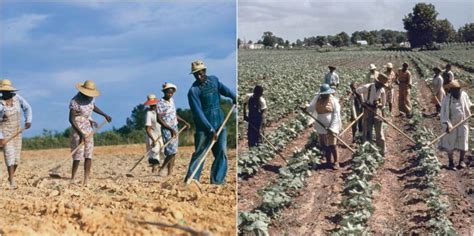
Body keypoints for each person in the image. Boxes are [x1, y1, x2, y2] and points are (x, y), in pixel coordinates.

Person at [185, 60, 236, 185]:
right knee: (200, 153)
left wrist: (234, 97)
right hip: (204, 126)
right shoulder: (193, 91)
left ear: (205, 71)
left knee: (222, 152)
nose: (198, 75)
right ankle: (192, 180)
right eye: (195, 74)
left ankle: (218, 180)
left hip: (220, 122)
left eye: (200, 72)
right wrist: (210, 129)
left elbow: (225, 90)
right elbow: (198, 113)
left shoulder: (214, 80)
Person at [69, 80, 112, 185]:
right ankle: (73, 178)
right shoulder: (75, 101)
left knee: (88, 154)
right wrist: (80, 134)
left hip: (88, 128)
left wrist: (104, 114)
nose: (89, 96)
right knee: (78, 154)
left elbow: (93, 106)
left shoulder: (91, 98)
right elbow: (71, 119)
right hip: (77, 128)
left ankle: (86, 179)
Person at [0, 79, 32, 189]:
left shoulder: (17, 98)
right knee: (9, 155)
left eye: (8, 91)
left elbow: (27, 108)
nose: (7, 93)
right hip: (5, 132)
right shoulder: (0, 104)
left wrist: (28, 120)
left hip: (18, 131)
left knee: (16, 158)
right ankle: (12, 180)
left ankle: (11, 177)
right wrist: (0, 138)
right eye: (4, 91)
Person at [304, 84, 342, 169]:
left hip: (332, 125)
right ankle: (328, 161)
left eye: (326, 93)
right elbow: (311, 107)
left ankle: (336, 162)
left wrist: (332, 128)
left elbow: (336, 115)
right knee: (325, 145)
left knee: (333, 145)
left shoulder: (334, 100)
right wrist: (305, 108)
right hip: (320, 125)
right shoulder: (317, 98)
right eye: (323, 94)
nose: (324, 95)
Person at [156, 83, 190, 177]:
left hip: (175, 127)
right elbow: (159, 119)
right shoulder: (160, 103)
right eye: (168, 92)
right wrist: (170, 129)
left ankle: (169, 172)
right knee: (170, 151)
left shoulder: (172, 101)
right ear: (164, 92)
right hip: (167, 129)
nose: (170, 94)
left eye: (171, 93)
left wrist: (184, 122)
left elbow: (174, 115)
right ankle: (162, 168)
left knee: (174, 151)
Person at [438, 80, 472, 170]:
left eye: (458, 89)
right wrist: (447, 124)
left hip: (463, 122)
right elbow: (443, 114)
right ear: (451, 90)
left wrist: (472, 107)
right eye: (455, 90)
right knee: (450, 143)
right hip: (451, 124)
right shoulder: (447, 99)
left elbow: (469, 105)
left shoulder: (464, 95)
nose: (457, 92)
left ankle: (461, 161)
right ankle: (451, 162)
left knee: (463, 141)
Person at [355, 74, 388, 157]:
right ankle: (367, 151)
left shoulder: (382, 90)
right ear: (377, 82)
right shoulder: (368, 87)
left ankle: (382, 152)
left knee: (379, 133)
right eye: (380, 84)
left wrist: (383, 116)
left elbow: (383, 105)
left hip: (377, 111)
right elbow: (357, 91)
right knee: (367, 131)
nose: (381, 86)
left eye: (382, 85)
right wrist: (362, 102)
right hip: (367, 110)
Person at [144, 94, 163, 173]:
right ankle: (154, 169)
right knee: (155, 151)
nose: (153, 106)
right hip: (152, 135)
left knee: (162, 151)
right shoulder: (149, 114)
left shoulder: (160, 111)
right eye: (151, 104)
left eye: (154, 104)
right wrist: (153, 139)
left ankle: (159, 167)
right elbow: (147, 128)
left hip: (161, 134)